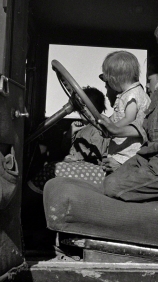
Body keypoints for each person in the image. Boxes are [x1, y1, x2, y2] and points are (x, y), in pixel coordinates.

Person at [28, 52, 150, 192]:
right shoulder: (92, 125)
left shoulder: (131, 98)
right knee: (52, 167)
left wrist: (113, 128)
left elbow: (128, 121)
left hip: (117, 164)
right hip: (109, 161)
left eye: (108, 83)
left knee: (50, 170)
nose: (106, 88)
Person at [98, 14, 158, 203]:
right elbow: (145, 126)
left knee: (112, 187)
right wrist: (116, 129)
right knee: (108, 182)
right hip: (151, 157)